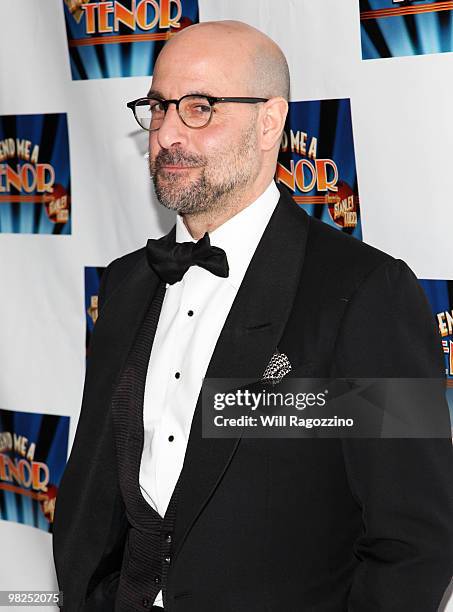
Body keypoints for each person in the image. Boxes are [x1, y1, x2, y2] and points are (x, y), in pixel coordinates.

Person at [53, 20, 453, 612]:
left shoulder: (365, 291)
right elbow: (95, 487)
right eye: (159, 107)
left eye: (200, 108)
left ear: (269, 121)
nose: (167, 134)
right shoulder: (128, 282)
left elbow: (415, 537)